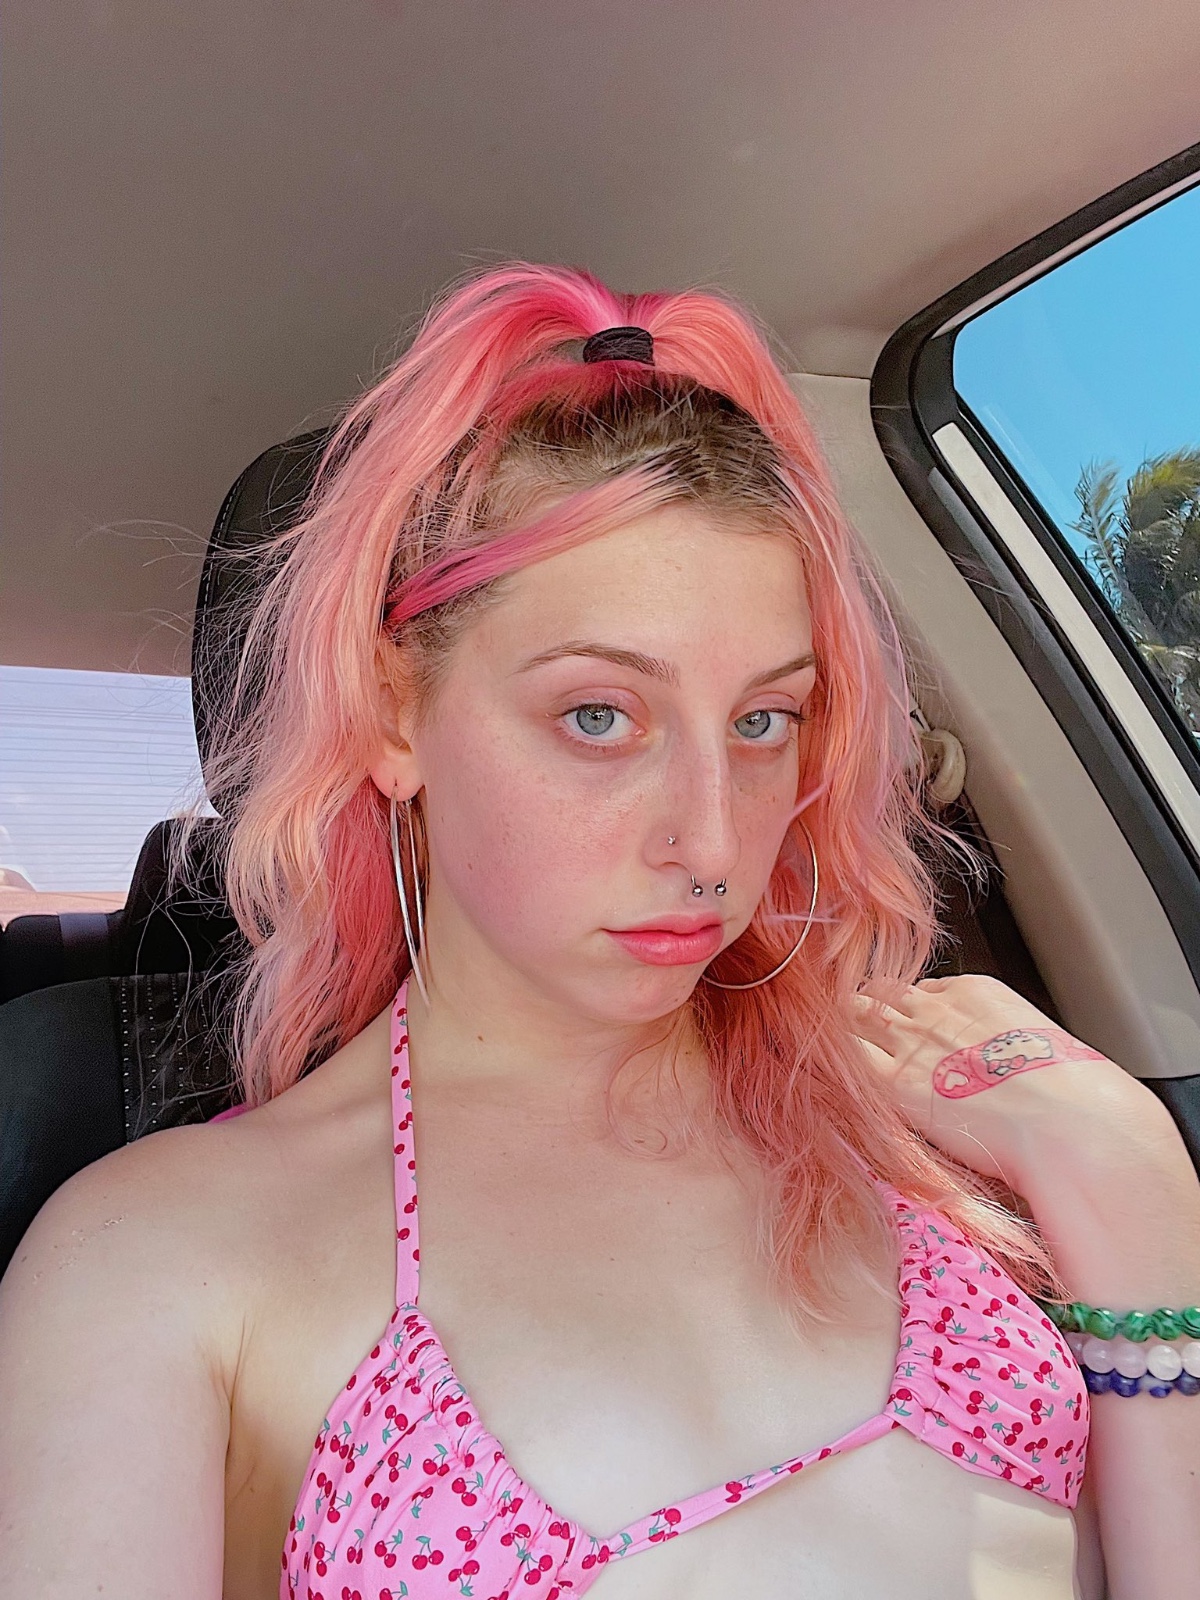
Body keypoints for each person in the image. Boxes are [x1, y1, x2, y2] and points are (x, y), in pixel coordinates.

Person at [1, 264, 1197, 1600]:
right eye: (598, 717)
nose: (712, 841)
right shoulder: (156, 1261)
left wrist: (1134, 1188)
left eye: (763, 721)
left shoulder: (938, 1124)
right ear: (394, 714)